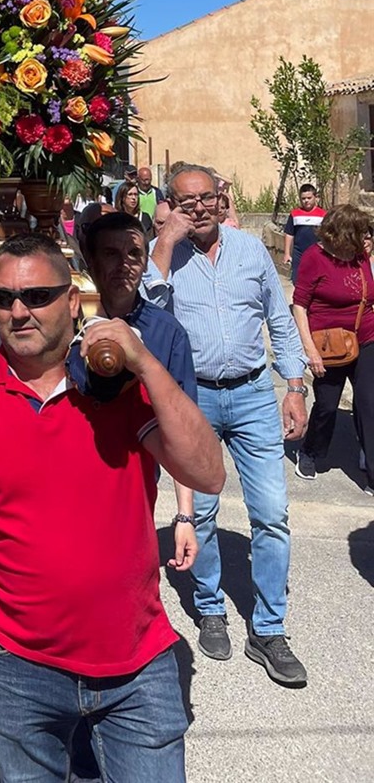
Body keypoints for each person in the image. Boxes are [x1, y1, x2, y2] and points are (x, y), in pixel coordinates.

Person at [0, 234, 223, 780]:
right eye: (3, 298)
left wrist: (146, 363)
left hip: (135, 659)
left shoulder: (117, 387)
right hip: (17, 664)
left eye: (36, 296)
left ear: (73, 301)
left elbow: (207, 472)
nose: (18, 312)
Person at [148, 165, 309, 686]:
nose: (198, 208)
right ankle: (211, 606)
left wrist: (295, 386)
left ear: (221, 199)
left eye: (205, 198)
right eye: (185, 201)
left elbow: (279, 320)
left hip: (253, 392)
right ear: (170, 205)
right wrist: (164, 243)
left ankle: (268, 629)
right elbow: (146, 311)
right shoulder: (165, 257)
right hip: (193, 397)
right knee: (203, 511)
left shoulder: (250, 250)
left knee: (272, 513)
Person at [68, 211, 200, 569]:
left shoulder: (168, 333)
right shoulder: (64, 324)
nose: (124, 265)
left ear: (146, 263)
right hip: (69, 478)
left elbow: (181, 427)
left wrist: (185, 516)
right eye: (111, 253)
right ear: (90, 259)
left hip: (134, 484)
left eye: (134, 254)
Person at [292, 204, 374, 493]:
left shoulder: (361, 254)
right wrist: (310, 350)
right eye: (361, 232)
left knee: (369, 402)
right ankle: (310, 450)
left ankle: (371, 467)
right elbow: (300, 306)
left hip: (366, 337)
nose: (366, 237)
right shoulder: (315, 257)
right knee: (327, 405)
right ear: (343, 234)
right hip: (328, 343)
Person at [282, 184, 325, 282]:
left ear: (315, 197)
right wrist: (287, 253)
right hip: (299, 253)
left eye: (309, 198)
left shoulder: (323, 215)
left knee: (317, 279)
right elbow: (289, 234)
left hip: (317, 252)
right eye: (303, 198)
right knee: (297, 279)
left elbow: (327, 234)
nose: (306, 201)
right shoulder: (294, 214)